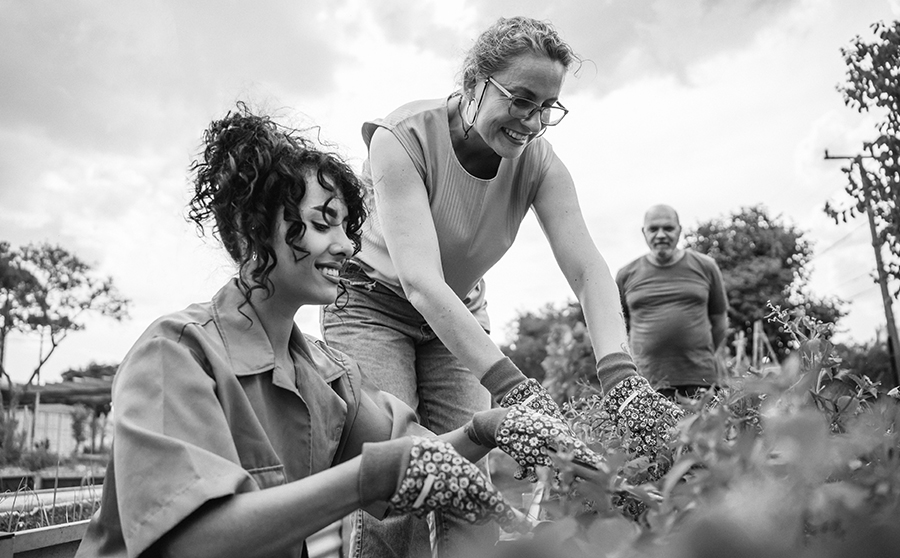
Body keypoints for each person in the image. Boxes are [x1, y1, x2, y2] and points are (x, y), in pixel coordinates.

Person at [73, 105, 598, 558]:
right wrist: (369, 475)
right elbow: (192, 541)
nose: (348, 247)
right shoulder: (177, 353)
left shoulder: (327, 375)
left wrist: (485, 430)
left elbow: (416, 457)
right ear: (251, 231)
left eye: (348, 228)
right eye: (323, 224)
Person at [321, 16, 682, 558]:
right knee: (397, 479)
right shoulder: (403, 139)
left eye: (546, 107)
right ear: (474, 84)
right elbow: (420, 281)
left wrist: (621, 372)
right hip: (373, 305)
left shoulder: (540, 164)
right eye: (520, 98)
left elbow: (587, 270)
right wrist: (512, 385)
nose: (532, 121)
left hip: (458, 317)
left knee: (469, 491)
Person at [615, 204, 729, 400]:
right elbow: (618, 327)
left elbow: (719, 321)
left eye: (668, 228)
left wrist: (699, 354)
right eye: (653, 229)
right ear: (644, 232)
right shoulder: (626, 275)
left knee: (704, 430)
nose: (660, 235)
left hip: (700, 380)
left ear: (679, 230)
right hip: (648, 382)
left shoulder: (706, 267)